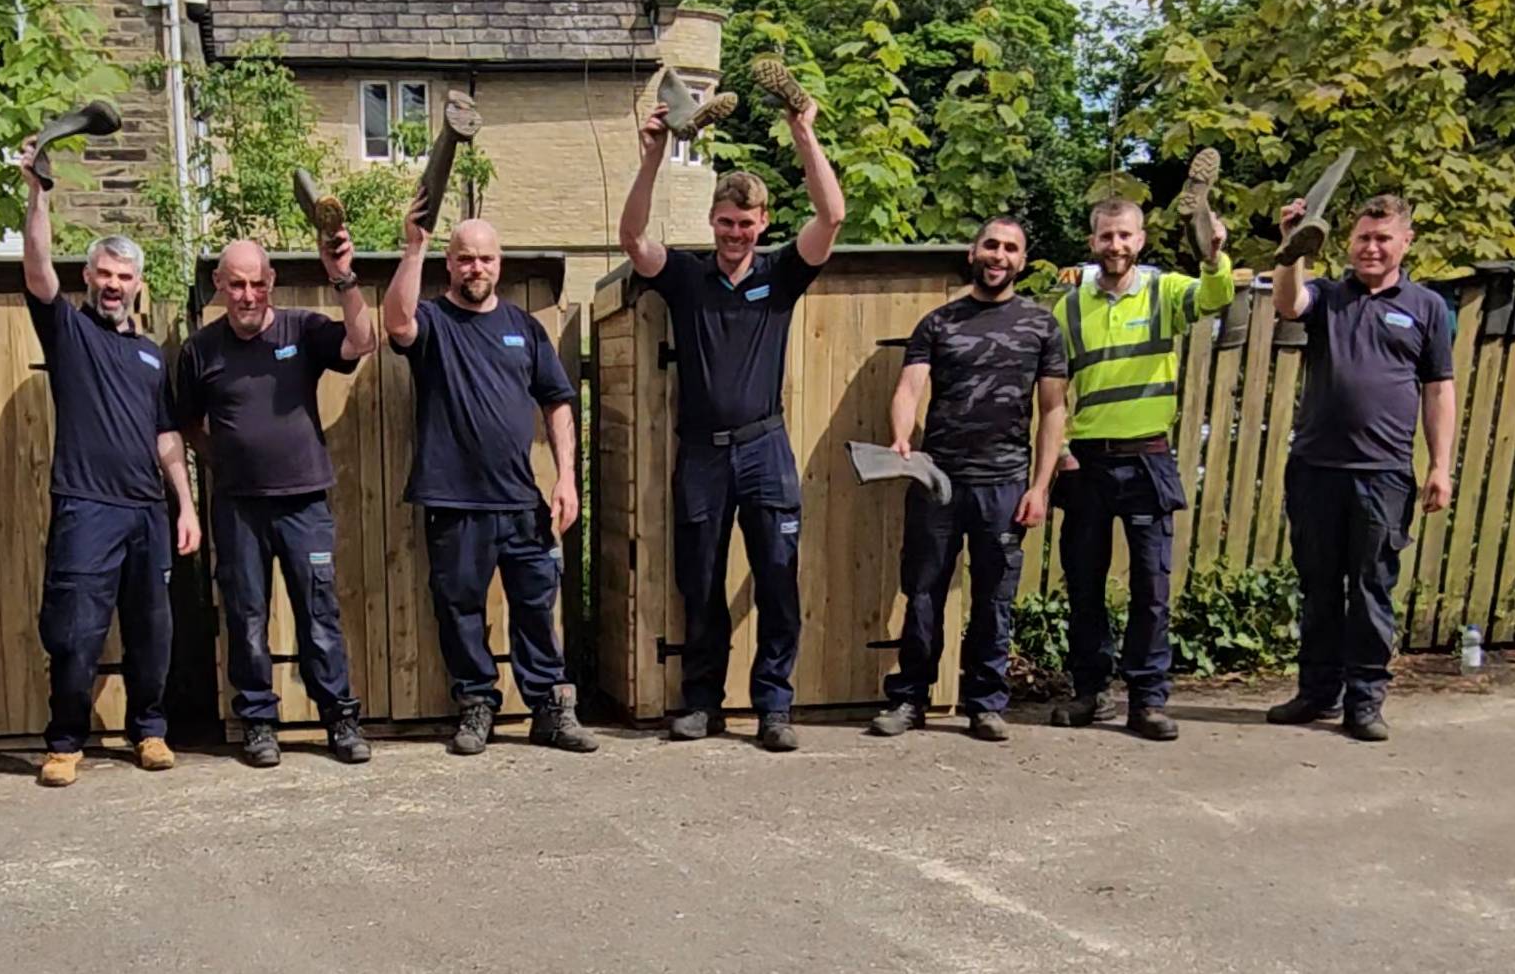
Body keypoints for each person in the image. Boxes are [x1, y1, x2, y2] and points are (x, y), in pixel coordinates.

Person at [618, 82, 845, 752]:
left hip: (764, 449)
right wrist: (653, 156)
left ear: (763, 224)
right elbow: (631, 236)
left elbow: (830, 217)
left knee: (777, 577)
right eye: (725, 223)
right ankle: (701, 704)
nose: (735, 234)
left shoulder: (783, 274)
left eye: (746, 224)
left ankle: (773, 707)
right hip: (701, 455)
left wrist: (803, 133)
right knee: (700, 582)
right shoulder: (686, 278)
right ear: (711, 222)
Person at [19, 141, 199, 787]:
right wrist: (38, 194)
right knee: (74, 634)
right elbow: (37, 269)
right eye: (104, 274)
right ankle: (66, 742)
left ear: (138, 285)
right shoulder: (68, 334)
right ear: (89, 279)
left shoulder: (152, 357)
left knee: (153, 634)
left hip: (146, 512)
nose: (114, 285)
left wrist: (185, 505)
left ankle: (148, 731)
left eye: (125, 276)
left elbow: (166, 436)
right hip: (85, 508)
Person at [383, 214, 597, 757]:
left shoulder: (524, 328)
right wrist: (414, 251)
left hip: (521, 501)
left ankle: (550, 709)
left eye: (486, 258)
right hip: (454, 502)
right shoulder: (433, 321)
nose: (476, 267)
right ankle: (477, 704)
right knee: (460, 610)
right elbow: (396, 322)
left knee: (535, 607)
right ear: (449, 263)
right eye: (465, 258)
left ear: (498, 264)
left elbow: (558, 402)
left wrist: (566, 478)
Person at [175, 237, 375, 767]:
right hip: (238, 507)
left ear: (272, 284)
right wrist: (223, 459)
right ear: (219, 285)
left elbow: (363, 341)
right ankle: (258, 723)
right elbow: (187, 424)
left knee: (319, 615)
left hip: (304, 503)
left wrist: (344, 278)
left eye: (257, 283)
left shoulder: (302, 330)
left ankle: (340, 720)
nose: (248, 294)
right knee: (244, 617)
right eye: (236, 284)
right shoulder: (200, 349)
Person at [1266, 194, 1455, 741]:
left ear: (1405, 242)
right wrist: (1291, 246)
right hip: (1316, 468)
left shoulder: (1426, 308)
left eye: (1382, 238)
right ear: (1348, 242)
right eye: (1362, 238)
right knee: (1319, 585)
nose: (1371, 248)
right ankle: (1317, 693)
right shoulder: (1328, 295)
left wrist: (1441, 465)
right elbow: (1286, 303)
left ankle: (1365, 702)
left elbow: (1438, 389)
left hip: (1384, 473)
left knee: (1372, 588)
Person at [875, 217, 1068, 742]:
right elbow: (909, 388)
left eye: (1010, 248)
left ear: (1022, 261)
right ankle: (911, 699)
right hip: (938, 479)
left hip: (1005, 484)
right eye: (990, 245)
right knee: (921, 594)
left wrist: (1040, 485)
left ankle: (985, 704)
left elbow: (1053, 409)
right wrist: (901, 438)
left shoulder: (1042, 326)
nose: (998, 255)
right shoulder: (938, 324)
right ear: (973, 252)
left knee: (993, 599)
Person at [1052, 195, 1232, 741]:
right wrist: (1059, 447)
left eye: (1126, 236)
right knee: (1083, 585)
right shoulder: (1069, 307)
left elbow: (1216, 299)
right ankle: (1090, 692)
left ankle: (1148, 701)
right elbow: (1053, 391)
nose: (1116, 246)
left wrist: (1214, 255)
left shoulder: (1166, 289)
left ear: (1141, 240)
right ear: (1092, 243)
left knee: (1152, 588)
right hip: (1086, 459)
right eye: (1106, 237)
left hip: (1148, 456)